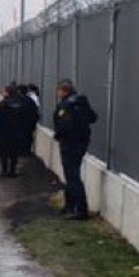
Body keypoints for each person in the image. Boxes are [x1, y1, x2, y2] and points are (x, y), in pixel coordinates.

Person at [53, 79, 98, 220]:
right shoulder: (82, 102)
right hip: (82, 142)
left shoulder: (65, 105)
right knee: (73, 174)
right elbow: (93, 117)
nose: (58, 93)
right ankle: (70, 205)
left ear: (63, 91)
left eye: (59, 90)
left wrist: (58, 135)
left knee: (72, 176)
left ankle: (79, 209)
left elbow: (62, 126)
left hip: (69, 144)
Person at [0, 85, 31, 177]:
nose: (2, 92)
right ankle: (12, 171)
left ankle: (4, 171)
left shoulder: (1, 105)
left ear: (7, 93)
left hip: (3, 132)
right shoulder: (21, 104)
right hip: (17, 132)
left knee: (3, 152)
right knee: (14, 152)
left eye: (4, 91)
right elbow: (26, 118)